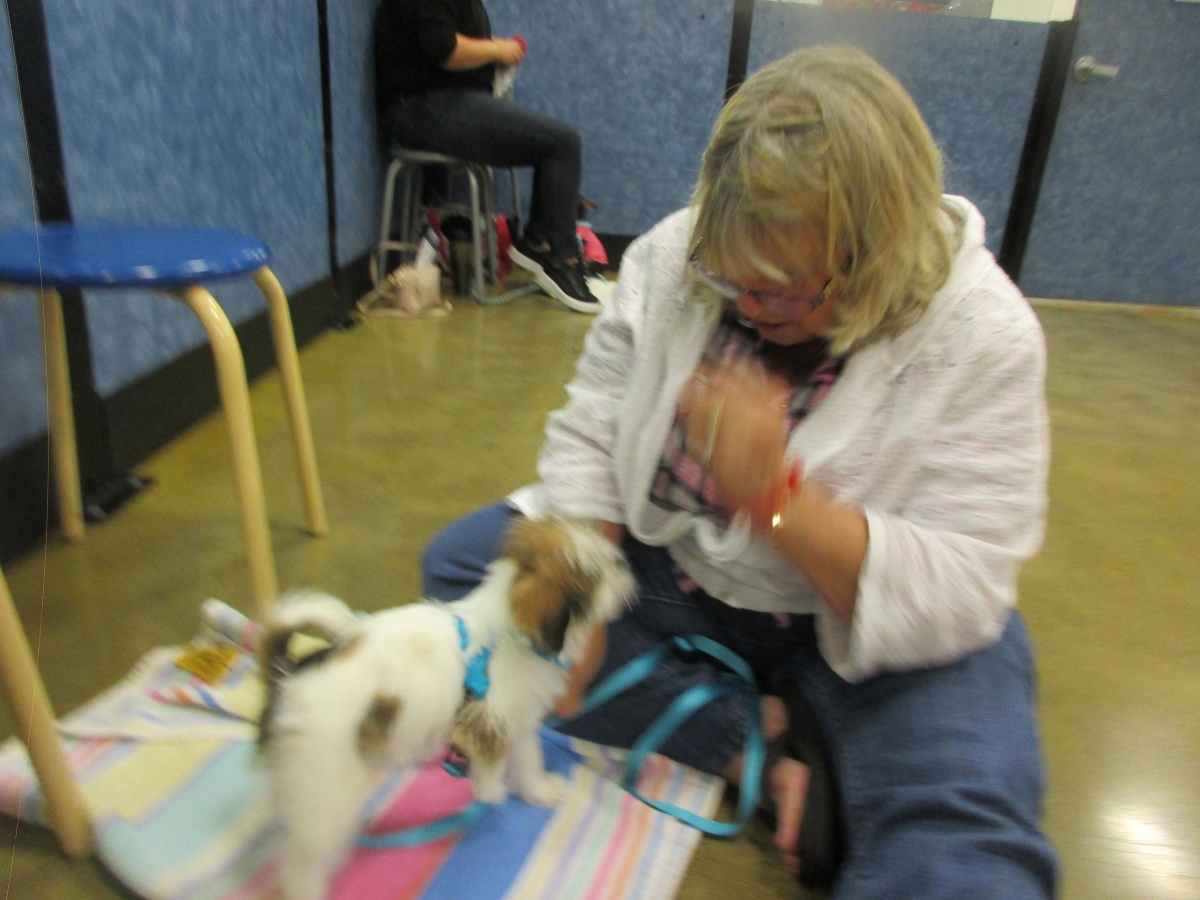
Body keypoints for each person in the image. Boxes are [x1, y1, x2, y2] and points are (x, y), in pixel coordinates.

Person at [421, 45, 1058, 898]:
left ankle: (815, 728)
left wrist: (773, 496)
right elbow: (593, 424)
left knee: (964, 848)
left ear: (875, 255)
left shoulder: (983, 332)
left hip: (860, 626)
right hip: (682, 579)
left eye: (785, 289)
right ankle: (757, 739)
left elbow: (963, 584)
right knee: (466, 573)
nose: (750, 307)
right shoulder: (674, 257)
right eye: (731, 280)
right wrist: (581, 583)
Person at [374, 0, 599, 313]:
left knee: (557, 143)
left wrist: (493, 51)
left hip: (442, 101)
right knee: (562, 143)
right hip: (422, 107)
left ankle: (540, 242)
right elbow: (445, 50)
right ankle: (559, 257)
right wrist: (497, 50)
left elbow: (446, 40)